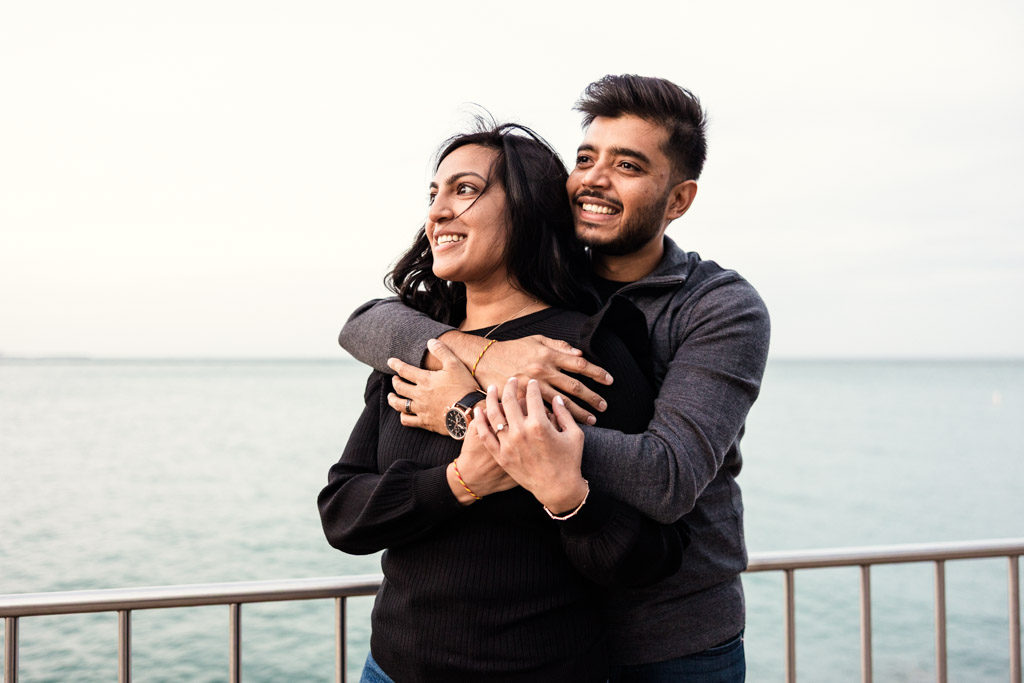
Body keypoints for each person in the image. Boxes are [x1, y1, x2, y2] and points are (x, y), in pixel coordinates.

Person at [338, 75, 771, 682]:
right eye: (586, 158)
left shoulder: (717, 306)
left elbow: (668, 475)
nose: (595, 178)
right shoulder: (544, 280)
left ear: (678, 200)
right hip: (551, 633)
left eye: (628, 165)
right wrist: (480, 356)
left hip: (669, 638)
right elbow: (366, 322)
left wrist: (469, 410)